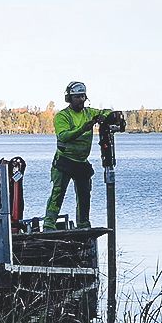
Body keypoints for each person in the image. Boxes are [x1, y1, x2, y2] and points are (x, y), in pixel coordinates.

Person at [43, 81, 111, 230]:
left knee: (84, 195)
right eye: (77, 97)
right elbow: (64, 136)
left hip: (81, 162)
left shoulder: (89, 113)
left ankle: (83, 224)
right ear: (69, 98)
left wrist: (105, 117)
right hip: (64, 161)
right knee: (58, 193)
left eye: (82, 97)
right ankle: (49, 224)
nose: (81, 100)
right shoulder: (62, 116)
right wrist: (82, 129)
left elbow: (106, 111)